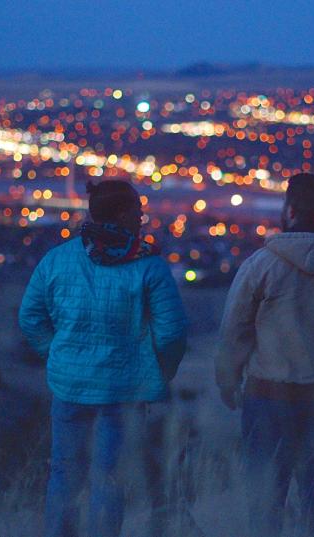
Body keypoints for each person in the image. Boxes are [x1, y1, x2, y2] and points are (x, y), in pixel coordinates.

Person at [19, 180, 188, 537]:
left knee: (64, 472)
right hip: (124, 391)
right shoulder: (149, 268)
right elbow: (172, 333)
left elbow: (30, 317)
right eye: (138, 212)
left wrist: (57, 355)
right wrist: (161, 371)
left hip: (70, 386)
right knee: (108, 477)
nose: (142, 219)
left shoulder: (57, 259)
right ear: (124, 214)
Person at [215, 172, 314, 536]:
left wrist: (228, 380)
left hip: (269, 396)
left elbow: (235, 328)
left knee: (265, 501)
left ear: (289, 209)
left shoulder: (262, 265)